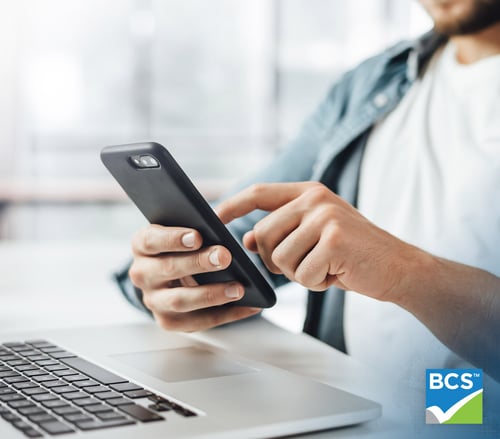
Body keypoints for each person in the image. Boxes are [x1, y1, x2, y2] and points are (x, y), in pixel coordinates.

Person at [114, 0, 500, 383]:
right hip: (354, 402)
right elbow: (240, 235)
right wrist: (169, 276)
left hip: (463, 412)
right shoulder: (373, 82)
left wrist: (402, 271)